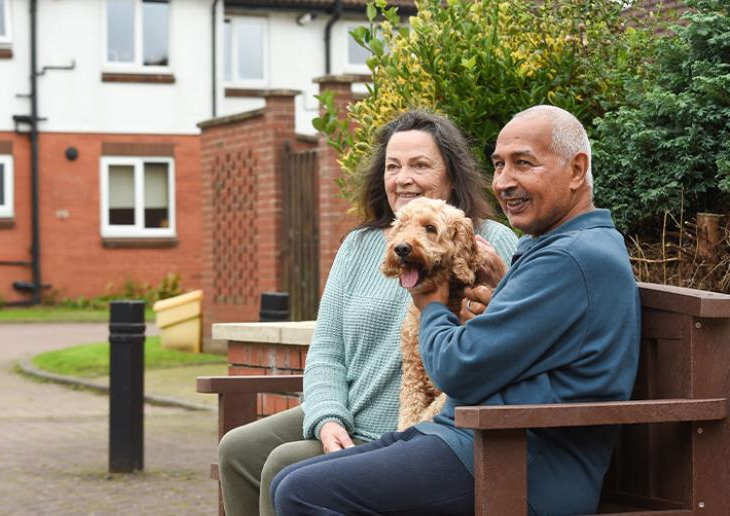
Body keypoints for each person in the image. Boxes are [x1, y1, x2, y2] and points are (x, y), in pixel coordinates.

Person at [270, 105, 641, 516]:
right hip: (475, 437)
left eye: (523, 164)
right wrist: (501, 296)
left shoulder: (570, 258)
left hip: (519, 462)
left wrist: (430, 305)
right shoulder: (554, 247)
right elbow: (527, 346)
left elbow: (456, 368)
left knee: (302, 491)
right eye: (499, 165)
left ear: (576, 171)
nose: (504, 182)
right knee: (289, 480)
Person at [217, 110, 519, 516]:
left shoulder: (487, 242)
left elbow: (506, 334)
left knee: (283, 464)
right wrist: (327, 418)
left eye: (419, 165)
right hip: (348, 410)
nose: (403, 178)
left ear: (451, 176)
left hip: (407, 430)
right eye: (393, 167)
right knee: (237, 449)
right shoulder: (359, 245)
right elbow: (326, 350)